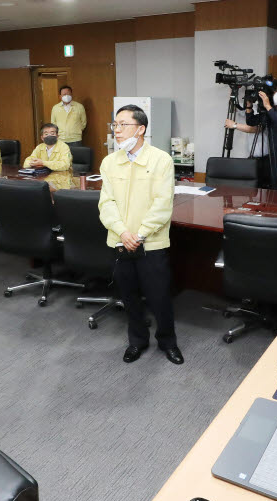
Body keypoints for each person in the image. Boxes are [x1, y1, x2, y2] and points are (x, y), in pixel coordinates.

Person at [99, 104, 183, 365]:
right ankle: (137, 341)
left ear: (141, 129)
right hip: (121, 241)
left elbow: (162, 204)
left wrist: (141, 234)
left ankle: (168, 342)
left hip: (152, 243)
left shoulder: (161, 160)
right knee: (129, 296)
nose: (117, 131)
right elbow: (106, 203)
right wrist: (123, 232)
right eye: (115, 125)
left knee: (159, 297)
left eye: (124, 124)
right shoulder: (110, 161)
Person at [225, 79, 277, 191]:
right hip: (273, 162)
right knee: (274, 195)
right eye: (275, 91)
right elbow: (252, 122)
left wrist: (268, 106)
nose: (276, 94)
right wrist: (249, 107)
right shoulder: (272, 111)